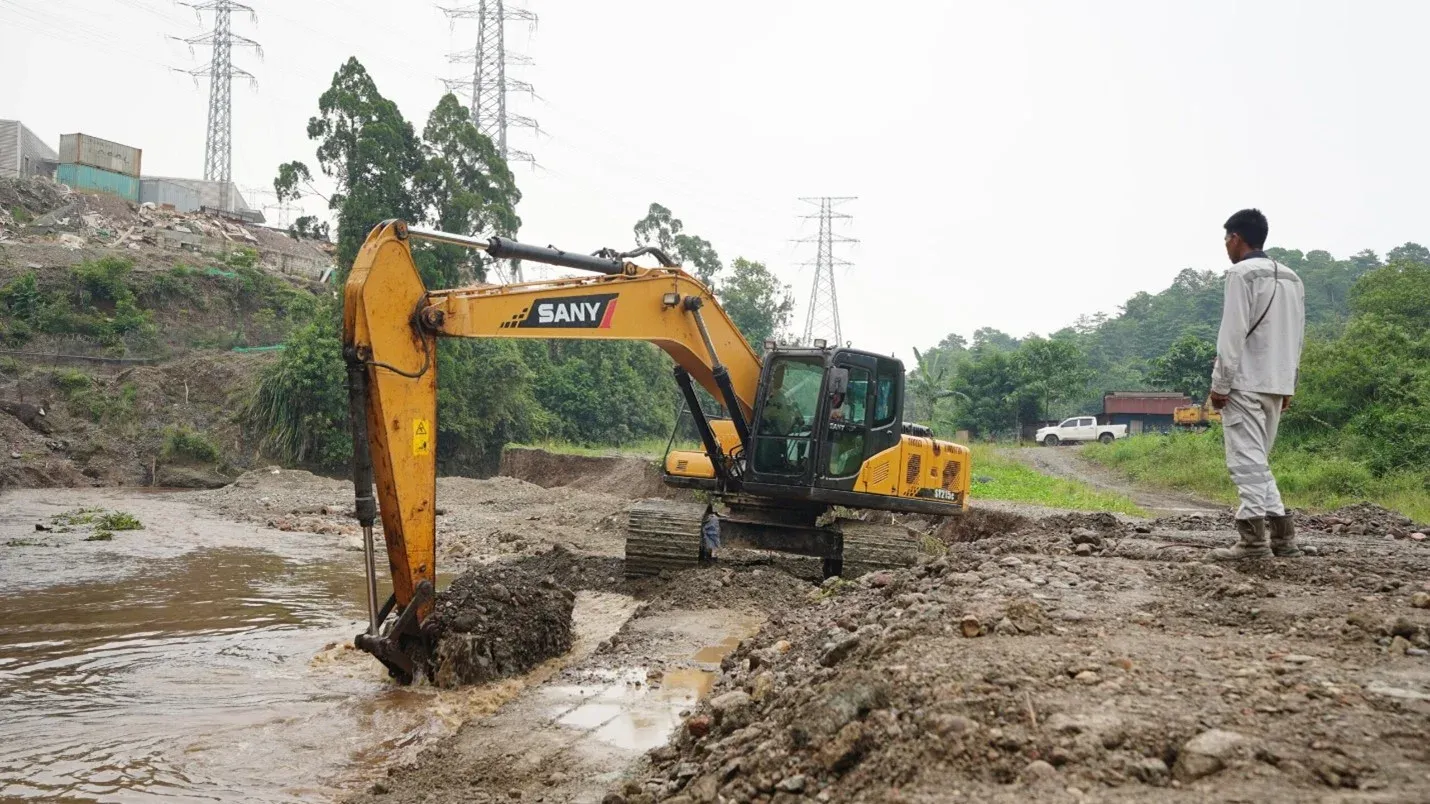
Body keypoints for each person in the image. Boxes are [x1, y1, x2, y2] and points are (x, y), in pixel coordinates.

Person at [1207, 209, 1313, 560]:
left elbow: (1233, 331)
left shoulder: (1241, 275)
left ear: (1236, 238)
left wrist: (1220, 383)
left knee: (1245, 461)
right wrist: (1290, 386)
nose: (1226, 246)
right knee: (1258, 462)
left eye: (1226, 239)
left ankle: (1253, 542)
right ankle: (1284, 538)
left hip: (1246, 382)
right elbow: (1297, 335)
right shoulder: (1293, 278)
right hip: (1278, 382)